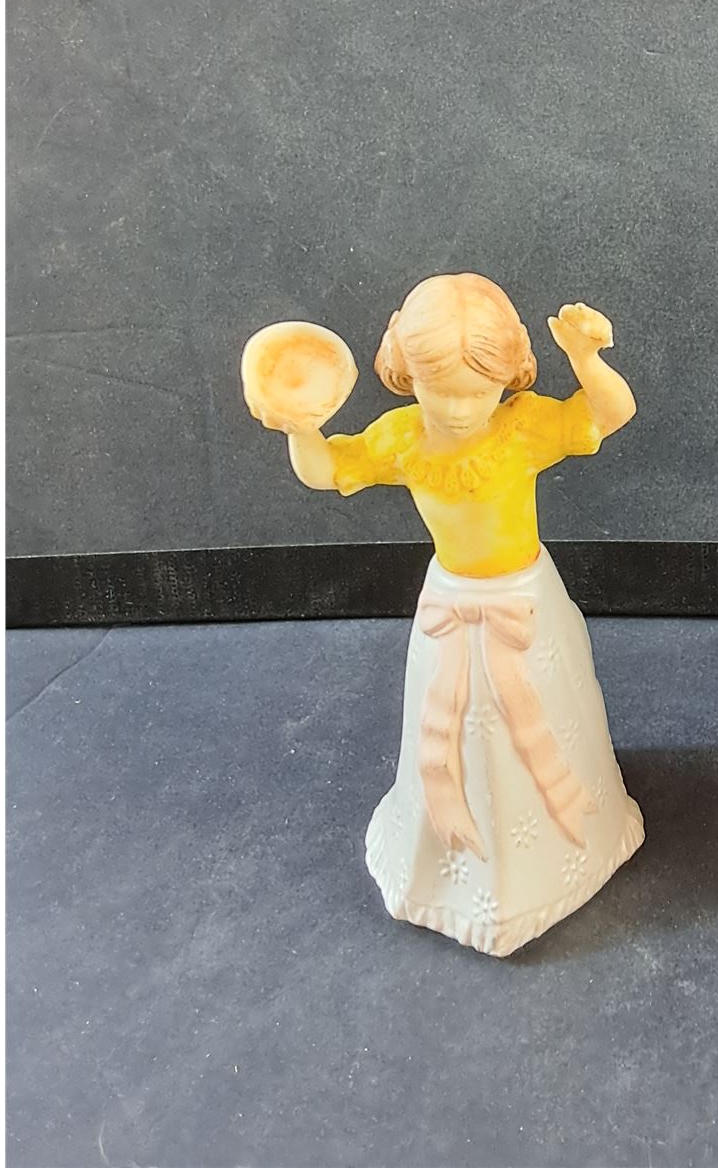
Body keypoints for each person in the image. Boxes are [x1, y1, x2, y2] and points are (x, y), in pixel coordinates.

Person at [243, 274, 643, 956]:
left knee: (548, 714)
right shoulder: (403, 439)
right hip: (450, 608)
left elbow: (610, 412)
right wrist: (301, 426)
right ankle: (454, 861)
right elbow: (328, 469)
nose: (459, 410)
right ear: (407, 375)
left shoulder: (522, 429)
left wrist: (585, 360)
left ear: (507, 379)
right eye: (441, 391)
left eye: (478, 392)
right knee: (452, 727)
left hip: (525, 605)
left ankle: (560, 848)